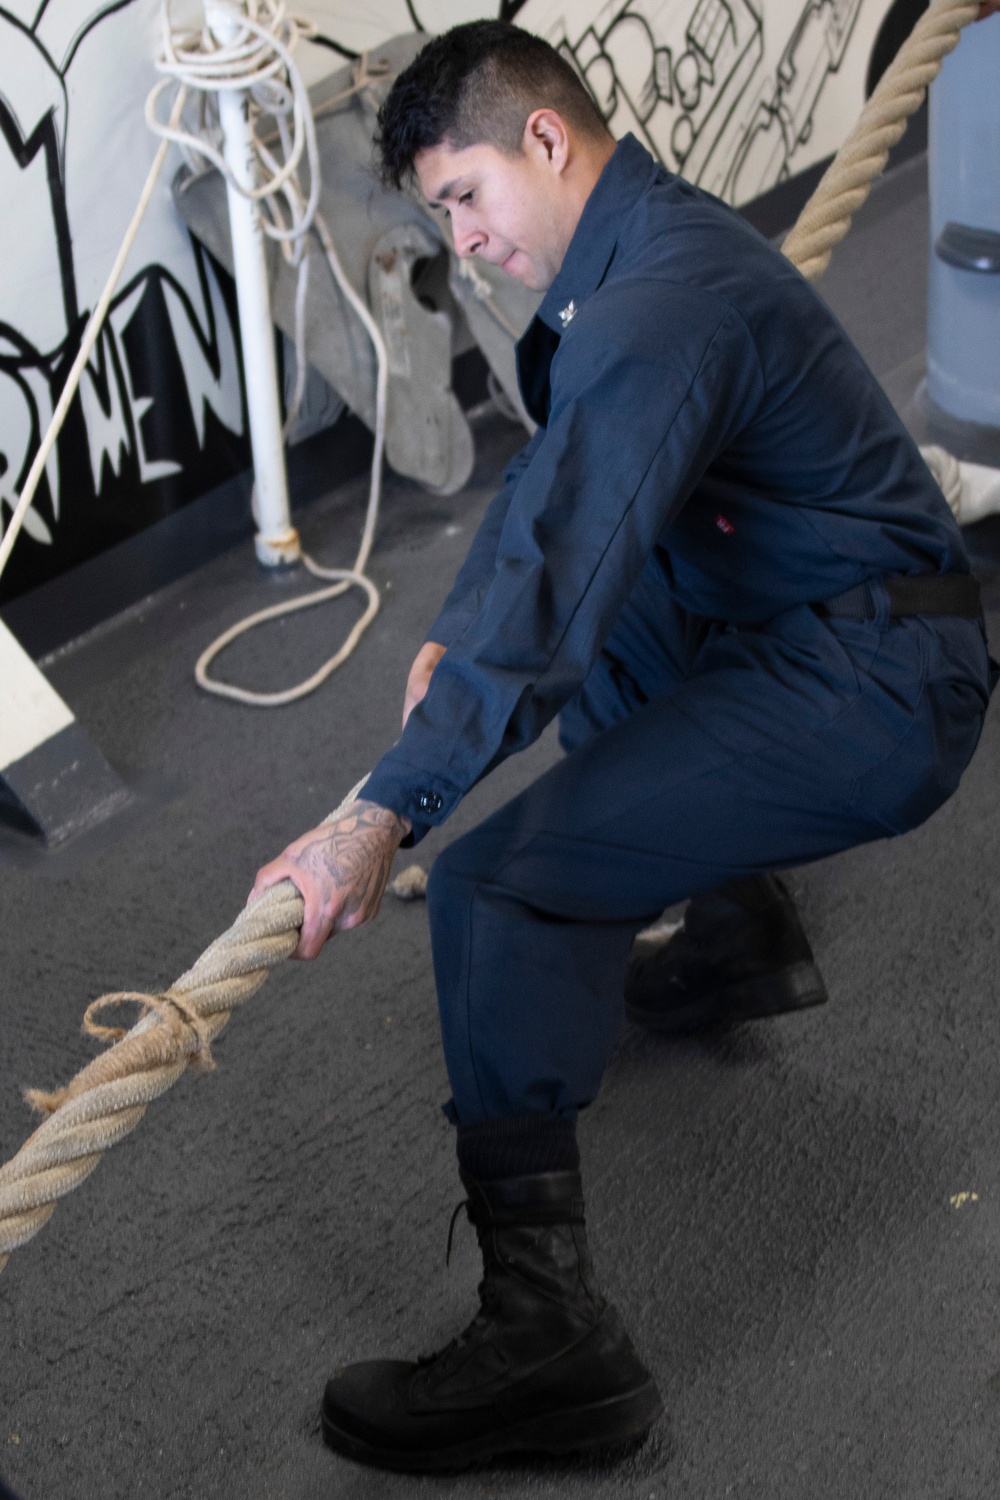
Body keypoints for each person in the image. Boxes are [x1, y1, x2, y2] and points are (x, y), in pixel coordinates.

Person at [248, 19, 997, 1474]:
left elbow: (570, 548)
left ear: (544, 138)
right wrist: (461, 624)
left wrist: (384, 810)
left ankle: (551, 1341)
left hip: (880, 678)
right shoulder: (632, 252)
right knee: (603, 603)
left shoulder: (663, 300)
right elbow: (559, 482)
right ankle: (740, 933)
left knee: (498, 884)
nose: (460, 243)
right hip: (817, 610)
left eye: (464, 197)